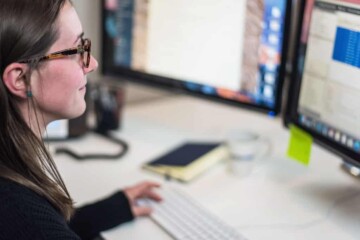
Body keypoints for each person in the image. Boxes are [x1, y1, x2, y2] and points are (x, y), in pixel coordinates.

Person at [0, 0, 162, 239]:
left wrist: (109, 211)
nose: (92, 64)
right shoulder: (18, 209)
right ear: (21, 79)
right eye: (76, 50)